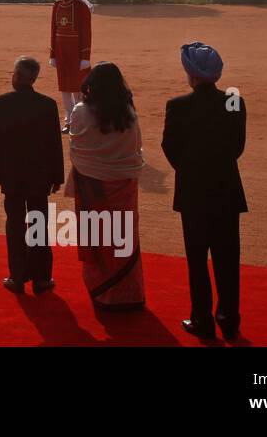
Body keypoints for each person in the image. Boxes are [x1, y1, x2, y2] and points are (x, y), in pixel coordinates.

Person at [161, 42, 247, 340]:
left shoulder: (177, 105)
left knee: (197, 261)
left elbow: (169, 147)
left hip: (193, 192)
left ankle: (202, 319)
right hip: (226, 189)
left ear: (191, 73)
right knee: (228, 259)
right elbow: (237, 146)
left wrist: (188, 170)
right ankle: (230, 320)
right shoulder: (235, 100)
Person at [67, 62, 145, 310]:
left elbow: (75, 147)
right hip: (124, 185)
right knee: (124, 238)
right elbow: (136, 149)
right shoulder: (129, 113)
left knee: (97, 237)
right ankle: (129, 294)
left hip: (92, 186)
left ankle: (102, 294)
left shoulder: (80, 111)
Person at [0, 56, 64, 294]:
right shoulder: (48, 105)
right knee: (39, 223)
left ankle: (17, 276)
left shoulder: (0, 103)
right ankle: (42, 278)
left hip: (11, 175)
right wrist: (57, 176)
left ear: (18, 77)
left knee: (15, 225)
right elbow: (55, 144)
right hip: (40, 176)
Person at [48, 0, 93, 133]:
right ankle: (69, 121)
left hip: (76, 53)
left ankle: (82, 120)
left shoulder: (81, 7)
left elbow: (86, 33)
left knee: (78, 88)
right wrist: (53, 53)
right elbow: (53, 30)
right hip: (61, 52)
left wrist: (85, 56)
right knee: (64, 88)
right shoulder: (57, 5)